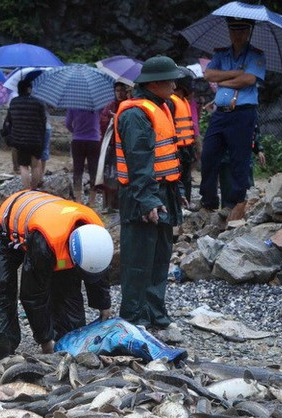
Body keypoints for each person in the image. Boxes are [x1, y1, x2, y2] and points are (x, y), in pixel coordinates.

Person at [0, 190, 113, 359]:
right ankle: (4, 348)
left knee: (67, 286)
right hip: (6, 227)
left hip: (46, 221)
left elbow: (97, 270)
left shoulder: (96, 234)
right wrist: (45, 340)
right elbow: (32, 295)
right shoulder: (45, 244)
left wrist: (103, 305)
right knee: (3, 285)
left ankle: (68, 342)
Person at [115, 56, 183, 330]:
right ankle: (134, 318)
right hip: (140, 195)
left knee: (159, 257)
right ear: (154, 83)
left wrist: (176, 192)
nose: (174, 85)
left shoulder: (160, 107)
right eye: (170, 79)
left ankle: (155, 314)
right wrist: (147, 201)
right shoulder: (135, 114)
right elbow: (139, 162)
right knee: (139, 259)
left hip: (161, 192)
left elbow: (166, 157)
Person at [199, 17, 266, 224]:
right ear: (229, 31)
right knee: (209, 154)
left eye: (242, 29)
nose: (238, 33)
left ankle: (235, 203)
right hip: (221, 112)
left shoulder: (256, 55)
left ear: (248, 31)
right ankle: (208, 200)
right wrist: (235, 73)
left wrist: (224, 79)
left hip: (243, 113)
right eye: (234, 29)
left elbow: (249, 80)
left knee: (240, 159)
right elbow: (209, 75)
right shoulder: (221, 54)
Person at [4, 74, 46, 191]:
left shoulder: (14, 102)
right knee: (35, 164)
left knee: (23, 166)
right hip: (36, 139)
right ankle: (34, 189)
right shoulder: (38, 103)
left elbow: (10, 121)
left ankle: (26, 190)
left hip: (19, 139)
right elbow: (43, 122)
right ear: (29, 89)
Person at [98, 81, 132, 211]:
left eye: (122, 90)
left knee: (122, 176)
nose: (119, 93)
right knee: (109, 175)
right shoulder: (111, 106)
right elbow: (102, 123)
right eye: (117, 90)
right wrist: (112, 120)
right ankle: (108, 204)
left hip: (124, 147)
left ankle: (120, 204)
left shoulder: (128, 106)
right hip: (111, 146)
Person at [171, 73, 198, 209]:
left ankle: (186, 202)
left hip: (186, 146)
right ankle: (179, 204)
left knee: (186, 177)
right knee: (179, 178)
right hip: (177, 148)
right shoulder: (172, 101)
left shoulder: (183, 101)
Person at [65, 107, 101, 206]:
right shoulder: (97, 105)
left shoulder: (73, 105)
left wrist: (75, 131)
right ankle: (92, 201)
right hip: (94, 141)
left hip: (78, 140)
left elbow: (67, 124)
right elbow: (102, 118)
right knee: (94, 171)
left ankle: (78, 200)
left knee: (77, 170)